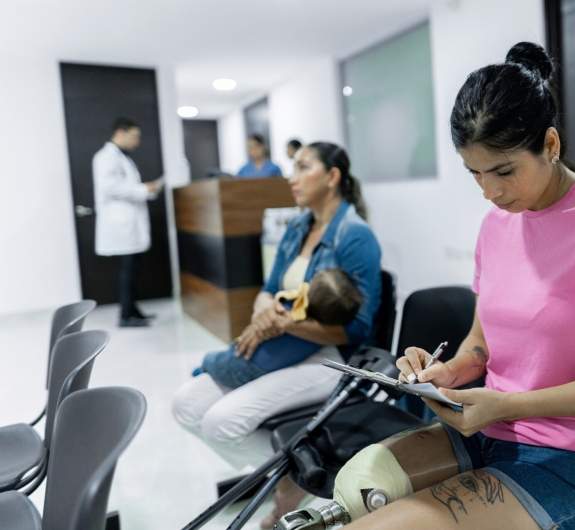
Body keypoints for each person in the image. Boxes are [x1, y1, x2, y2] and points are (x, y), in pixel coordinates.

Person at [321, 42, 575, 530]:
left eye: (504, 171)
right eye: (475, 174)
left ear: (550, 144)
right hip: (489, 430)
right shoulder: (497, 223)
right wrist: (447, 373)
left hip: (574, 459)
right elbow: (482, 345)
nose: (490, 192)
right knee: (359, 481)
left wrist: (507, 404)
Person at [172, 142, 381, 528]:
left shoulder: (355, 236)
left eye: (303, 167)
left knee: (221, 423)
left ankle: (295, 479)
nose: (291, 176)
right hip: (282, 345)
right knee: (185, 403)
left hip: (329, 356)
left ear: (332, 177)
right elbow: (268, 287)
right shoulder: (299, 225)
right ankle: (295, 471)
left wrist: (283, 323)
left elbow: (358, 327)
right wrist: (262, 313)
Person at [197, 267, 363, 389]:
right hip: (261, 366)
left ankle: (201, 368)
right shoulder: (319, 333)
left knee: (211, 360)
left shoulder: (288, 311)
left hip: (243, 362)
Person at [92, 117, 164, 327]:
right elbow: (109, 187)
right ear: (120, 133)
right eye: (135, 137)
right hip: (120, 225)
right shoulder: (106, 157)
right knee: (128, 272)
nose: (137, 142)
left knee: (133, 271)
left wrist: (146, 189)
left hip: (129, 224)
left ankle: (133, 310)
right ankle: (126, 315)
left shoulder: (122, 158)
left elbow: (127, 187)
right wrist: (143, 189)